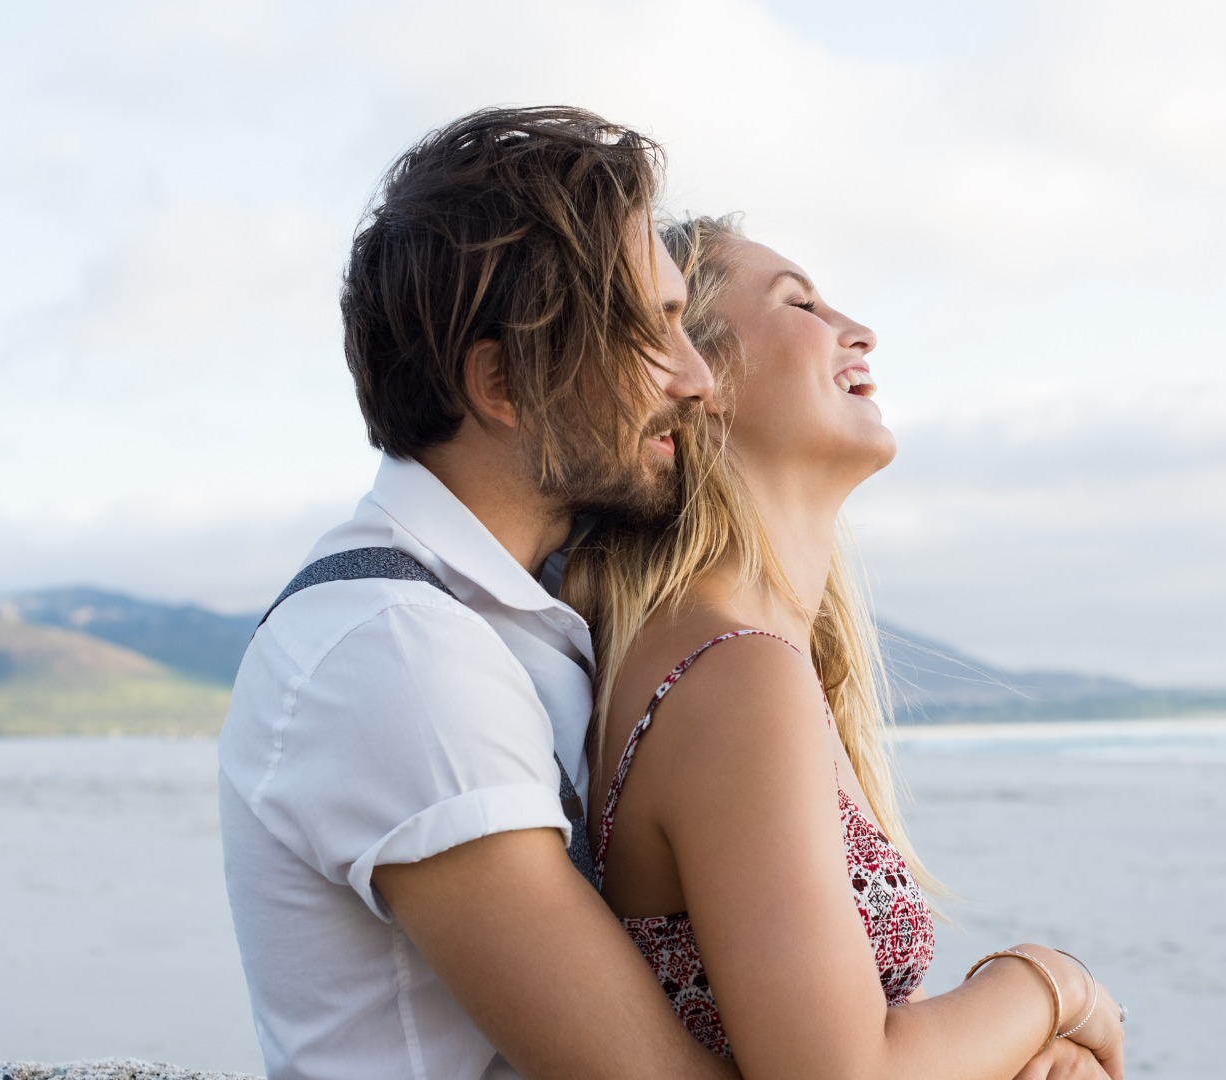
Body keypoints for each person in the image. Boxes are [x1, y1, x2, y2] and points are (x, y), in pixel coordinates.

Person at [218, 106, 744, 1080]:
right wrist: (1031, 1002)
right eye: (654, 332)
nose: (698, 379)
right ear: (504, 383)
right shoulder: (398, 655)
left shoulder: (512, 612)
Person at [562, 216, 1128, 1080]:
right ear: (698, 376)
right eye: (801, 304)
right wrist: (1052, 984)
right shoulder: (735, 674)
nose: (857, 330)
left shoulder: (743, 661)